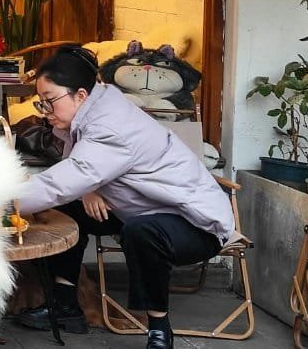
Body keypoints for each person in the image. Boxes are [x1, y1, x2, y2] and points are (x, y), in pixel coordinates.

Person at [14, 45, 233, 349]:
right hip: (145, 209)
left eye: (50, 101)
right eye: (42, 102)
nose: (45, 111)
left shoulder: (110, 126)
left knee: (141, 230)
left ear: (80, 95)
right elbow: (83, 171)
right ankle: (65, 305)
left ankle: (159, 328)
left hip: (194, 224)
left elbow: (64, 180)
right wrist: (90, 188)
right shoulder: (96, 109)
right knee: (68, 209)